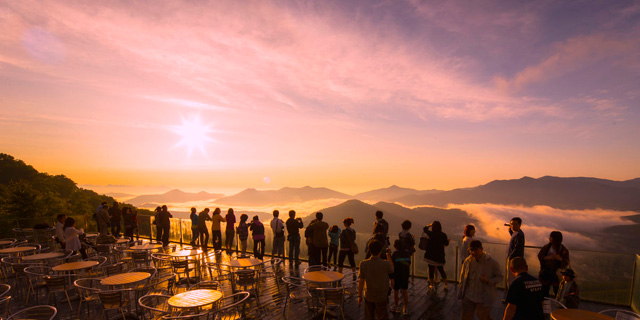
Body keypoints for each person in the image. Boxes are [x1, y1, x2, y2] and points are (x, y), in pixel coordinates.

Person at [459, 240, 503, 320]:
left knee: (483, 317)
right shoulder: (468, 261)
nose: (473, 252)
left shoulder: (492, 263)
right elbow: (462, 277)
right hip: (468, 296)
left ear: (481, 249)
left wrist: (488, 280)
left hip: (483, 297)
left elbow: (500, 277)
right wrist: (461, 292)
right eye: (471, 250)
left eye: (475, 250)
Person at [358, 239, 394, 320]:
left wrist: (359, 295)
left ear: (369, 250)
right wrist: (388, 255)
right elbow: (392, 269)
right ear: (381, 251)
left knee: (369, 316)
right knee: (382, 316)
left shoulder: (363, 264)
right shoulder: (385, 264)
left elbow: (361, 281)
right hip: (382, 296)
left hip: (368, 295)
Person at [537, 231, 569, 297]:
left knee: (557, 292)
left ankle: (558, 305)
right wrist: (549, 257)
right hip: (546, 273)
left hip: (555, 275)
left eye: (551, 237)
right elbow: (540, 256)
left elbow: (566, 262)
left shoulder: (563, 250)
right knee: (544, 292)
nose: (549, 238)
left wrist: (560, 259)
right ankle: (546, 306)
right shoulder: (547, 247)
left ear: (555, 239)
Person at [423, 221, 450, 290]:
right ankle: (446, 285)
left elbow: (424, 229)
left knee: (431, 271)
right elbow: (446, 244)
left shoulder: (431, 234)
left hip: (430, 255)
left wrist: (429, 225)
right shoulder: (443, 235)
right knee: (441, 270)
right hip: (439, 256)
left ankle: (431, 285)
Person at [390, 239, 411, 315]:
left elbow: (392, 265)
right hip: (405, 275)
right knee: (405, 291)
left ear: (395, 246)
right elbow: (408, 263)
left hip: (397, 275)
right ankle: (405, 308)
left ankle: (397, 307)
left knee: (396, 291)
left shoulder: (395, 253)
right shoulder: (407, 253)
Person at [506, 217, 525, 287]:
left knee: (512, 278)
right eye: (511, 224)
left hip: (514, 260)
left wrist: (510, 257)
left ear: (519, 225)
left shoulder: (519, 234)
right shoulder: (516, 233)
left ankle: (512, 293)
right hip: (514, 259)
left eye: (515, 224)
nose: (512, 226)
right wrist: (510, 232)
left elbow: (517, 248)